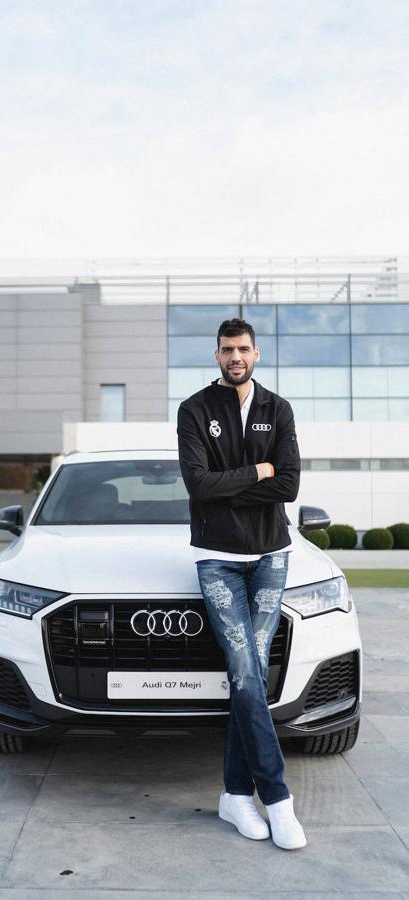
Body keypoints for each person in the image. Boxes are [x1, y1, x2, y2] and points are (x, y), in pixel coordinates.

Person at [177, 317, 306, 850]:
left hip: (272, 558)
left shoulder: (278, 409)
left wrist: (230, 487)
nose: (236, 356)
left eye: (244, 349)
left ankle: (235, 793)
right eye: (227, 349)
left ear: (257, 353)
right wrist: (259, 473)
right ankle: (277, 798)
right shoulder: (195, 409)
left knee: (249, 675)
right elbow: (197, 484)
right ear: (216, 355)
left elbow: (292, 484)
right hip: (218, 560)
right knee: (246, 672)